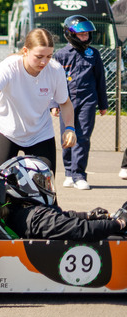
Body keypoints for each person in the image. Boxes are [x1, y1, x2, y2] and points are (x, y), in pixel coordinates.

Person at [0, 28, 77, 175]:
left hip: (40, 133)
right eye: (39, 56)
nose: (44, 62)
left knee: (45, 188)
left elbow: (65, 102)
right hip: (6, 130)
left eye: (49, 56)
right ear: (25, 50)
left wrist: (70, 128)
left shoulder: (55, 70)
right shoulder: (9, 66)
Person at [0, 156, 127, 240]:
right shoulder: (37, 219)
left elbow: (60, 217)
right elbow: (80, 229)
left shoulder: (17, 211)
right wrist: (119, 223)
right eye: (44, 182)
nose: (48, 186)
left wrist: (89, 215)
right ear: (27, 185)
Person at [52, 15, 107, 190]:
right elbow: (52, 81)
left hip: (88, 100)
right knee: (67, 136)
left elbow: (100, 80)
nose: (85, 38)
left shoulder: (94, 54)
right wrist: (53, 104)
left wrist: (103, 104)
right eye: (81, 35)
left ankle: (79, 174)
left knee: (83, 137)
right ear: (70, 34)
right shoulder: (61, 55)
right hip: (65, 101)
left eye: (87, 35)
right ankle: (69, 172)